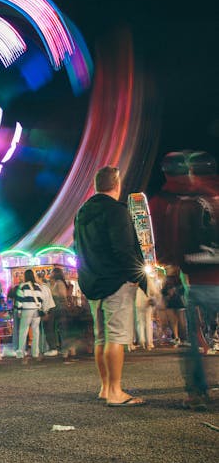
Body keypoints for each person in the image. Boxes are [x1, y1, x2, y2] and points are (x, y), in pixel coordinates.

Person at [149, 150, 219, 410]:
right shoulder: (209, 195)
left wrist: (172, 268)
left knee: (192, 341)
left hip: (196, 280)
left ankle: (197, 391)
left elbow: (168, 240)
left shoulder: (170, 200)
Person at [73, 166, 147, 406]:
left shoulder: (82, 213)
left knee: (101, 338)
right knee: (116, 336)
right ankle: (116, 392)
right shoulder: (116, 211)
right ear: (117, 185)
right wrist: (142, 279)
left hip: (92, 281)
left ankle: (105, 387)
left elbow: (79, 250)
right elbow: (123, 249)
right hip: (116, 281)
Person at [15, 269, 43, 361]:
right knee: (36, 331)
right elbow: (41, 299)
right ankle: (35, 352)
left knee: (23, 330)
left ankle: (20, 352)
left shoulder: (23, 286)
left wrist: (19, 311)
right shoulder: (38, 286)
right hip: (36, 310)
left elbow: (19, 300)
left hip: (26, 310)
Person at [36, 271, 58, 356]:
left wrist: (45, 312)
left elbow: (45, 300)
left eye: (36, 278)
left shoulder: (43, 288)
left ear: (40, 278)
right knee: (49, 329)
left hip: (48, 310)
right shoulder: (45, 287)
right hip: (50, 309)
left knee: (49, 330)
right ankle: (52, 348)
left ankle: (53, 348)